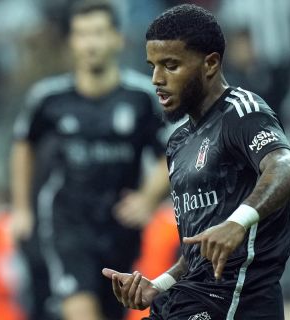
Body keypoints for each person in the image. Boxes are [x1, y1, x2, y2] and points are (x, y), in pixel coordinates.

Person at [102, 4, 290, 319]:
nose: (157, 79)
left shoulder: (241, 111)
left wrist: (238, 222)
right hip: (189, 298)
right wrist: (159, 285)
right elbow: (195, 253)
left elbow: (287, 168)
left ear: (210, 63)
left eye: (170, 65)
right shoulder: (178, 142)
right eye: (153, 66)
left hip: (237, 300)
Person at [10, 1, 170, 319]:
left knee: (111, 311)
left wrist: (148, 198)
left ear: (117, 38)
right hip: (66, 221)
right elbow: (23, 145)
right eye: (82, 34)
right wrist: (22, 208)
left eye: (98, 33)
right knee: (80, 307)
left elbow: (173, 153)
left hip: (119, 226)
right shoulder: (48, 98)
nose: (90, 43)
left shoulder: (142, 98)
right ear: (71, 42)